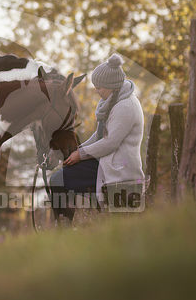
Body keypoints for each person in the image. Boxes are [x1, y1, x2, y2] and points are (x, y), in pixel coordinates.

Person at [49, 53, 145, 220]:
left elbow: (110, 143)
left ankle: (73, 224)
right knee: (59, 178)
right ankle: (65, 226)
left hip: (117, 167)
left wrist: (80, 154)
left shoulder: (125, 106)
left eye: (99, 87)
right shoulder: (111, 101)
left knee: (60, 179)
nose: (96, 90)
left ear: (113, 86)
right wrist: (80, 149)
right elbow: (100, 134)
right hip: (104, 161)